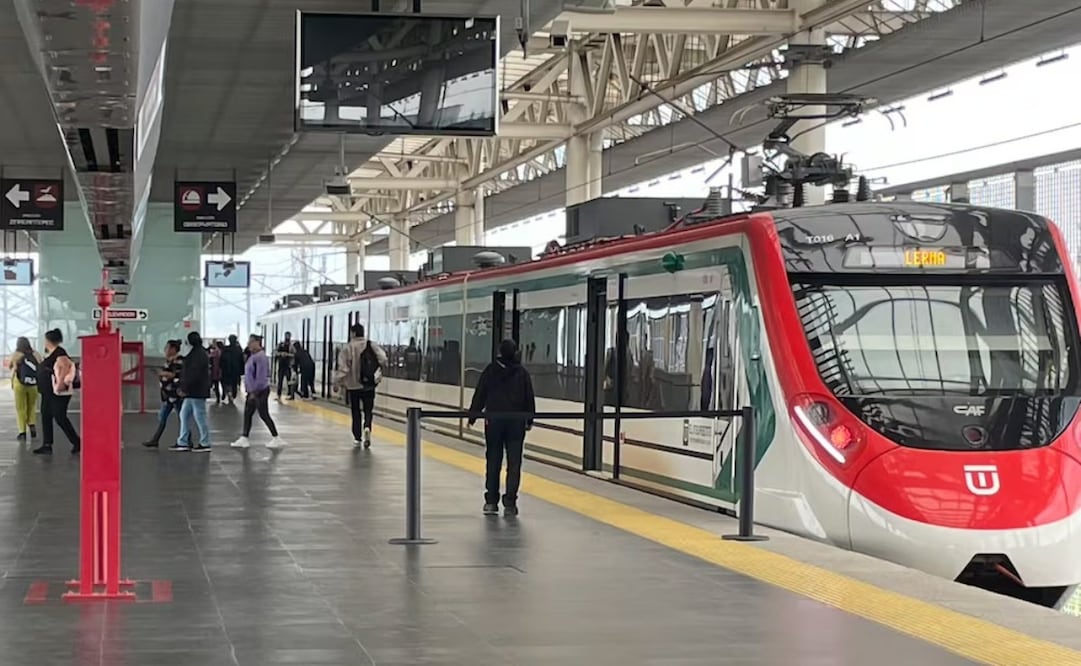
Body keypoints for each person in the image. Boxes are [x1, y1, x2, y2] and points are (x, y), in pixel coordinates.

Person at [467, 339, 536, 517]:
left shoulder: (491, 371)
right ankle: (510, 503)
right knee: (514, 464)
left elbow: (480, 394)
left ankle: (491, 501)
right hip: (515, 424)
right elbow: (529, 398)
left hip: (494, 423)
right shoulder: (522, 374)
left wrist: (473, 416)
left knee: (493, 461)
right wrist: (529, 420)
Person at [335, 323, 386, 449]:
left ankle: (357, 437)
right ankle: (367, 426)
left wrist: (338, 382)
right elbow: (383, 358)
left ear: (352, 333)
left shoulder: (348, 348)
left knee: (356, 411)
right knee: (368, 410)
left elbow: (344, 368)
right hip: (369, 384)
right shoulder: (371, 345)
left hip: (353, 386)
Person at [230, 334, 285, 450]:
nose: (248, 345)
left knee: (263, 414)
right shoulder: (253, 356)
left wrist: (254, 392)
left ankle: (276, 438)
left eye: (250, 342)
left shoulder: (260, 357)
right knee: (248, 414)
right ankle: (245, 438)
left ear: (256, 342)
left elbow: (260, 376)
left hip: (259, 391)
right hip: (253, 391)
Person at [35, 329, 81, 455]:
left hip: (58, 392)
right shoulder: (52, 353)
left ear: (48, 341)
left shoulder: (60, 353)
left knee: (59, 416)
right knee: (46, 415)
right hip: (48, 392)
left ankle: (77, 442)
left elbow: (65, 366)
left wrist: (60, 383)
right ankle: (47, 444)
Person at [142, 340, 190, 448]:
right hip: (168, 395)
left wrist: (162, 373)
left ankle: (187, 440)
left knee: (181, 417)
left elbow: (176, 374)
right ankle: (155, 439)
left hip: (175, 394)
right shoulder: (168, 361)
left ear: (173, 349)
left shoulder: (179, 361)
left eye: (167, 347)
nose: (165, 350)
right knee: (164, 417)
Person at [174, 331, 211, 452]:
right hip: (193, 391)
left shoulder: (197, 355)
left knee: (200, 416)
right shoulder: (199, 353)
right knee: (184, 414)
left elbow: (193, 374)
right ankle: (183, 441)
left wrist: (184, 388)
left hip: (196, 391)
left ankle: (205, 442)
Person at [8, 337, 42, 442]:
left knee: (21, 408)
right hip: (33, 384)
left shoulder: (16, 355)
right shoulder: (36, 354)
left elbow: (10, 366)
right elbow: (40, 365)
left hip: (19, 383)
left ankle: (22, 432)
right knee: (32, 406)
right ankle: (32, 426)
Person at [220, 334, 245, 405]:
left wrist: (221, 367)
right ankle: (233, 395)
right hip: (235, 370)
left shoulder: (225, 349)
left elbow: (221, 360)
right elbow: (241, 361)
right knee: (234, 383)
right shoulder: (238, 350)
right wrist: (242, 370)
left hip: (226, 370)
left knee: (227, 383)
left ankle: (228, 393)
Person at [274, 332, 295, 401]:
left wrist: (287, 354)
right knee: (280, 381)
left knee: (289, 381)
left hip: (288, 365)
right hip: (281, 365)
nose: (287, 337)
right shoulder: (280, 344)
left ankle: (290, 394)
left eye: (288, 336)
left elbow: (294, 355)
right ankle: (278, 395)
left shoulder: (291, 346)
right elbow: (275, 352)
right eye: (286, 336)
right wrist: (281, 354)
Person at [209, 340, 223, 405]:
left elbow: (209, 357)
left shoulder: (215, 352)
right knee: (222, 384)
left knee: (216, 384)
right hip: (221, 370)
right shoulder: (222, 352)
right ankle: (223, 395)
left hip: (215, 370)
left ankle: (218, 398)